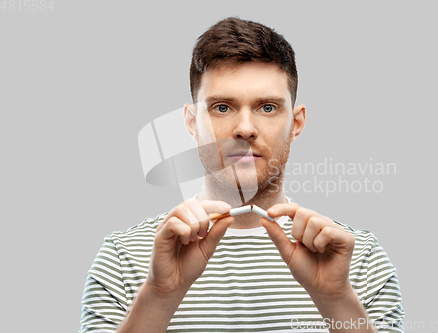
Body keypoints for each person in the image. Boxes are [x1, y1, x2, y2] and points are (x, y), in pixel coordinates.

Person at [79, 17, 405, 333]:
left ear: (297, 123)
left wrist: (336, 300)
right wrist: (158, 296)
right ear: (192, 124)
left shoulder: (359, 260)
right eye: (222, 107)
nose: (245, 129)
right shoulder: (124, 259)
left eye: (267, 107)